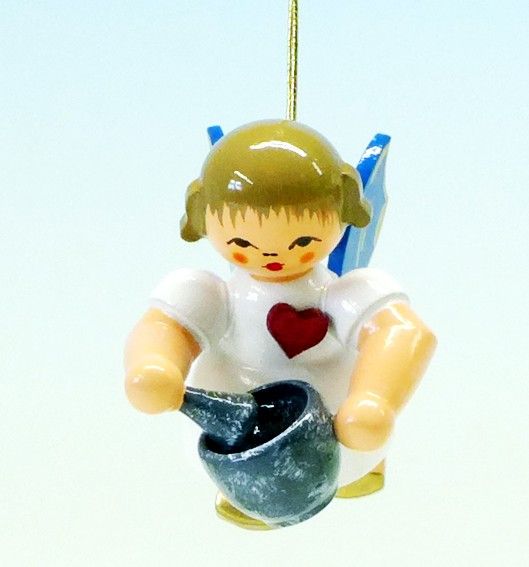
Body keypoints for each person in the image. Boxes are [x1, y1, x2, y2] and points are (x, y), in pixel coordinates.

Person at [124, 120, 436, 530]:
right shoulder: (214, 295)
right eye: (242, 243)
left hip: (341, 428)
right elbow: (165, 327)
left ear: (343, 214)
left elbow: (403, 332)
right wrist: (157, 367)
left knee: (355, 455)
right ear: (204, 219)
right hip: (240, 440)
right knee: (249, 474)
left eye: (302, 241)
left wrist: (375, 398)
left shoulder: (342, 293)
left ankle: (361, 468)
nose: (273, 255)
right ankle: (244, 494)